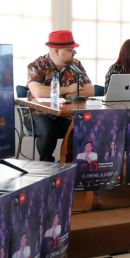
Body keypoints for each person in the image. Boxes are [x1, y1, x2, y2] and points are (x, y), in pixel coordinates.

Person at [25, 30, 94, 161]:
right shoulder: (36, 66)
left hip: (66, 114)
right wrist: (69, 89)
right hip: (39, 114)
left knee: (84, 126)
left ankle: (71, 165)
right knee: (48, 131)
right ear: (57, 51)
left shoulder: (76, 65)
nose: (75, 53)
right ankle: (47, 167)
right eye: (71, 50)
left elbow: (90, 90)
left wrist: (64, 94)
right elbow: (38, 92)